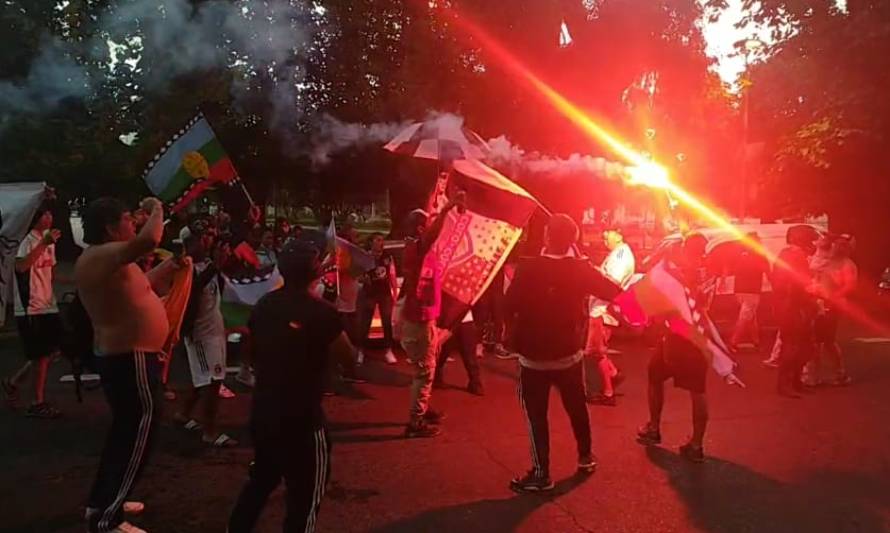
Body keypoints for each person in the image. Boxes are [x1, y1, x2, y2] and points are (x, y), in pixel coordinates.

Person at [228, 241, 356, 533]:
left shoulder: (265, 304)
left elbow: (252, 346)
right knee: (306, 496)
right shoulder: (322, 311)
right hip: (303, 420)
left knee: (260, 482)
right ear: (315, 273)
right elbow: (349, 358)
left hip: (265, 411)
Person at [77, 197, 181, 533]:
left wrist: (171, 266)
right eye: (126, 218)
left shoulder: (112, 259)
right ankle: (107, 519)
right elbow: (151, 239)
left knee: (124, 434)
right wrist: (157, 208)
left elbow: (142, 287)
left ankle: (104, 502)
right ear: (109, 227)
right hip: (130, 358)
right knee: (139, 433)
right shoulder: (101, 253)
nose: (133, 223)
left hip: (131, 356)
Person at [504, 214, 621, 492]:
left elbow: (508, 305)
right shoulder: (580, 269)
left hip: (533, 358)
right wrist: (584, 266)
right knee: (577, 408)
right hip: (569, 354)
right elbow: (613, 290)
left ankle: (542, 472)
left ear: (546, 237)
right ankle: (585, 456)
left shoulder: (529, 268)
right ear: (573, 241)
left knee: (536, 416)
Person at [636, 234, 715, 463]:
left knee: (659, 376)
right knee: (695, 389)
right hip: (700, 333)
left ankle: (655, 428)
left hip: (679, 336)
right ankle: (696, 443)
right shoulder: (707, 271)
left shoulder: (681, 274)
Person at [400, 192, 465, 439]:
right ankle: (415, 423)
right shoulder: (417, 247)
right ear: (420, 229)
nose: (431, 227)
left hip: (421, 320)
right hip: (419, 322)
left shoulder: (415, 246)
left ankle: (422, 409)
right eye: (426, 224)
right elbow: (432, 234)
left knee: (426, 369)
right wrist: (447, 207)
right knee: (424, 373)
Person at [173, 234, 238, 447]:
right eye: (199, 239)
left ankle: (183, 414)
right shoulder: (186, 267)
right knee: (212, 382)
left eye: (208, 238)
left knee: (203, 380)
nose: (204, 242)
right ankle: (209, 432)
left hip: (214, 331)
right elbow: (194, 288)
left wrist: (220, 262)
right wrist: (216, 265)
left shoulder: (208, 265)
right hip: (201, 334)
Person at [2, 203, 64, 418]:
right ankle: (37, 401)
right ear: (35, 218)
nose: (49, 216)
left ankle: (14, 382)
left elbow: (49, 272)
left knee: (52, 350)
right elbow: (20, 267)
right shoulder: (26, 240)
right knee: (42, 355)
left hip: (48, 303)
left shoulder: (48, 239)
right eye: (45, 213)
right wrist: (43, 244)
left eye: (50, 212)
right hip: (30, 306)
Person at [586, 228, 635, 406]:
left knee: (596, 353)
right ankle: (613, 374)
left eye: (609, 233)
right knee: (597, 351)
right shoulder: (617, 253)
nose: (604, 236)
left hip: (602, 310)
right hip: (599, 308)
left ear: (620, 235)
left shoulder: (622, 255)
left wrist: (593, 274)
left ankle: (607, 393)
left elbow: (610, 283)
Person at [772, 226, 818, 398]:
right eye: (810, 240)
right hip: (792, 308)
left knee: (802, 346)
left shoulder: (789, 255)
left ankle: (795, 382)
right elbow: (797, 285)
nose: (813, 245)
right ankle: (786, 385)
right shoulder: (795, 256)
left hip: (793, 306)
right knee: (792, 347)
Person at [806, 235, 857, 386]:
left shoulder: (848, 265)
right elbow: (816, 277)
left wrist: (832, 296)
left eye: (836, 246)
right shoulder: (828, 262)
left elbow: (850, 286)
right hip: (819, 304)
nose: (833, 248)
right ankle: (813, 376)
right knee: (815, 340)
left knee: (827, 341)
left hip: (832, 306)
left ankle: (839, 374)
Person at [356, 233, 399, 365]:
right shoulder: (365, 257)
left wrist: (395, 292)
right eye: (378, 240)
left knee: (386, 323)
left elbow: (392, 274)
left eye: (382, 240)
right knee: (365, 323)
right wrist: (363, 279)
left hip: (384, 294)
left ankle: (388, 350)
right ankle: (360, 351)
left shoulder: (387, 257)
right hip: (369, 293)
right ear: (372, 242)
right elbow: (357, 275)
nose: (381, 243)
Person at [729, 233, 770, 352]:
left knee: (750, 317)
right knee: (746, 317)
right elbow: (767, 271)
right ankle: (733, 342)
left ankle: (756, 342)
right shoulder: (760, 256)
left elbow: (732, 269)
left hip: (739, 290)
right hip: (752, 291)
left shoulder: (740, 255)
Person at [433, 310, 484, 395]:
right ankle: (435, 378)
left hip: (458, 318)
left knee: (468, 352)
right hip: (451, 318)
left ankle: (475, 383)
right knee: (444, 351)